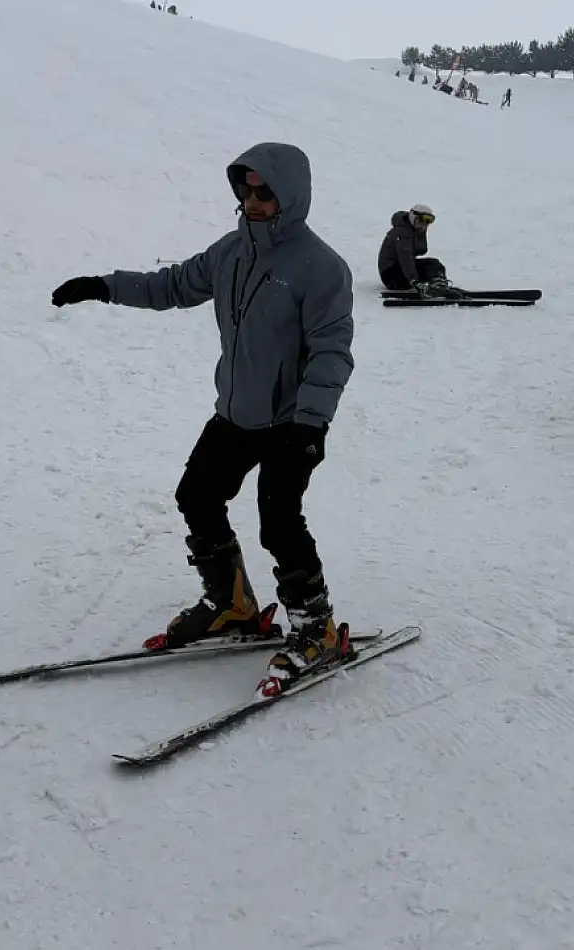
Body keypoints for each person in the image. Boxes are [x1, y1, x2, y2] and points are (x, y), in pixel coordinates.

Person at [49, 143, 356, 699]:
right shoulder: (230, 253)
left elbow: (332, 351)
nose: (253, 200)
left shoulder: (321, 267)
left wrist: (312, 426)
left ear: (290, 195)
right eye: (246, 189)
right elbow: (171, 287)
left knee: (278, 519)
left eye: (265, 191)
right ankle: (231, 603)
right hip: (236, 413)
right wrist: (103, 286)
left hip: (290, 422)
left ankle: (317, 628)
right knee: (196, 495)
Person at [377, 205, 450, 293]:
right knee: (431, 266)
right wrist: (414, 280)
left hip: (400, 270)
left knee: (434, 264)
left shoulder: (413, 230)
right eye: (421, 221)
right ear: (413, 218)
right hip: (391, 276)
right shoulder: (402, 232)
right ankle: (434, 285)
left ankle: (438, 284)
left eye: (427, 222)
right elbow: (405, 258)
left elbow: (421, 250)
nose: (424, 225)